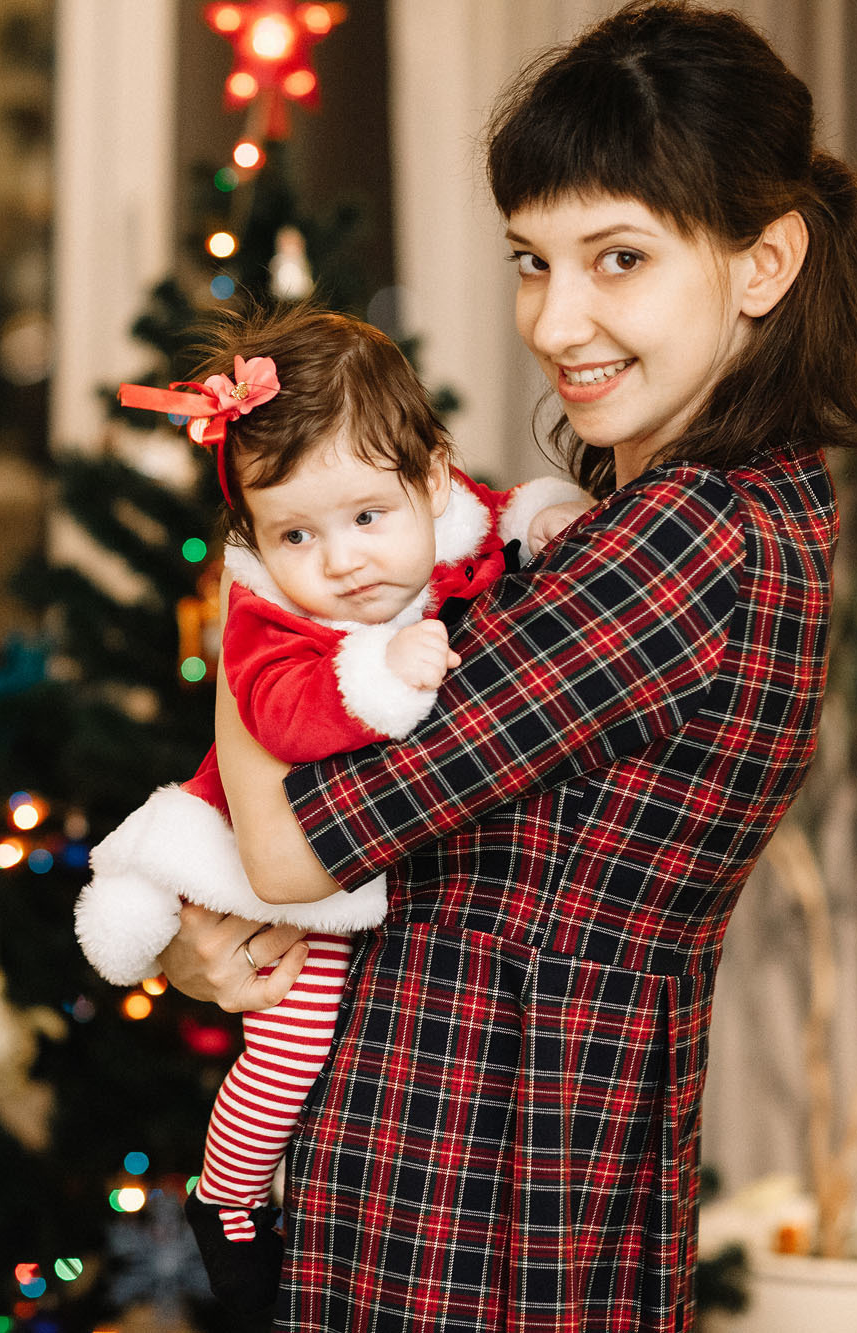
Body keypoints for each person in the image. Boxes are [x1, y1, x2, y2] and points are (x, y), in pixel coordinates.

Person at [156, 3, 857, 1329]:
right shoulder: (708, 514)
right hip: (524, 1161)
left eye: (618, 258)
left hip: (475, 1193)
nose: (557, 319)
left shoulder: (686, 544)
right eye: (532, 260)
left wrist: (248, 589)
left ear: (763, 264)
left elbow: (295, 852)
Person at [77, 303, 589, 1316]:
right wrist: (377, 669)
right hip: (269, 860)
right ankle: (226, 1197)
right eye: (296, 533)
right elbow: (281, 712)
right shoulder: (272, 608)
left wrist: (540, 515)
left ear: (430, 480)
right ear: (256, 536)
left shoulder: (448, 520)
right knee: (292, 1035)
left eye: (366, 516)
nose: (343, 559)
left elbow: (496, 515)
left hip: (372, 877)